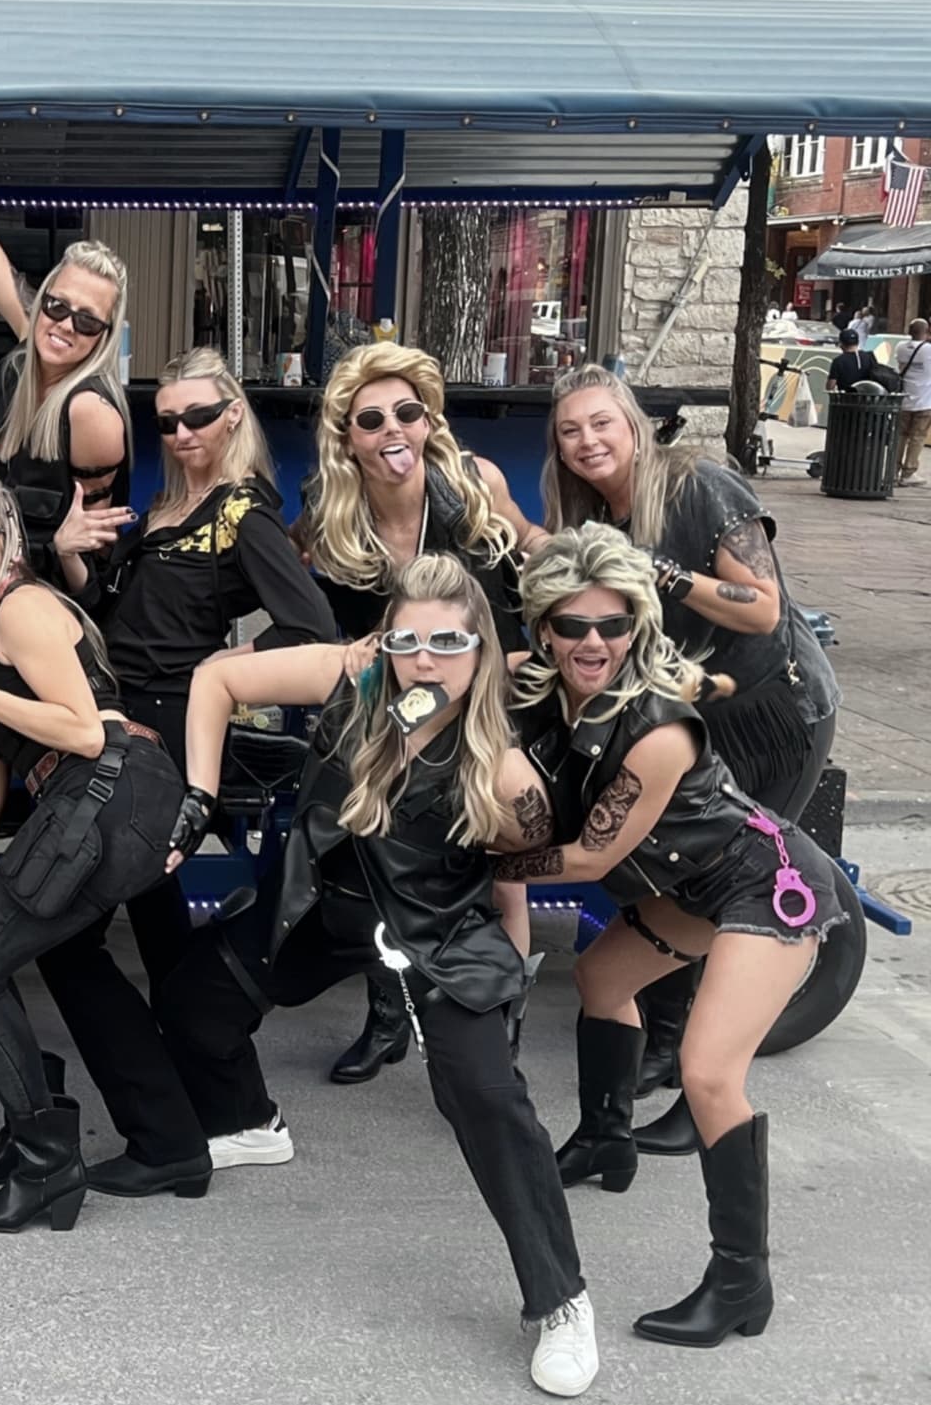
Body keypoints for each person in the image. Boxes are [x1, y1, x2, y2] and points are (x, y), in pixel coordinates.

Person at [155, 554, 598, 1397]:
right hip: (328, 907)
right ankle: (251, 1122)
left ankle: (562, 1297)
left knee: (485, 1100)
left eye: (448, 640)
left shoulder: (502, 768)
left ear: (479, 648)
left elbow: (518, 871)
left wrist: (507, 982)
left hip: (437, 932)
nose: (426, 658)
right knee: (193, 996)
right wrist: (199, 798)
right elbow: (215, 681)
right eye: (409, 638)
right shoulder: (354, 678)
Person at [499, 523, 848, 1349]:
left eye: (613, 624)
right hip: (693, 883)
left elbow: (590, 855)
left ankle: (740, 1283)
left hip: (768, 884)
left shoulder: (658, 728)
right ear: (545, 625)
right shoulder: (539, 681)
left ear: (637, 626)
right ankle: (606, 1141)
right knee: (600, 980)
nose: (594, 641)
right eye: (573, 623)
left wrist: (483, 864)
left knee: (707, 1072)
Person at [0, 347, 328, 1182]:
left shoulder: (241, 515)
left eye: (198, 416)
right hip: (119, 730)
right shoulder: (167, 510)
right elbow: (108, 615)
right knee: (162, 934)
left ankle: (189, 1126)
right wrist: (71, 555)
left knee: (81, 928)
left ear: (234, 417)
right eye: (167, 419)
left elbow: (311, 629)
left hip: (167, 743)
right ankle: (236, 1110)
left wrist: (224, 685)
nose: (180, 432)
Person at [545, 364, 839, 1154]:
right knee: (676, 877)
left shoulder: (697, 486)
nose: (588, 441)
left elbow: (766, 607)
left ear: (633, 423)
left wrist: (662, 572)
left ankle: (695, 1078)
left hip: (772, 712)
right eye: (571, 431)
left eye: (601, 422)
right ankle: (647, 1073)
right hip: (694, 713)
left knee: (728, 885)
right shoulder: (593, 511)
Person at [0, 466, 200, 1232]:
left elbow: (84, 729)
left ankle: (46, 1166)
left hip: (106, 794)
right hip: (85, 800)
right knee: (46, 959)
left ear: (8, 540)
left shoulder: (23, 608)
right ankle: (120, 1138)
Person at [290, 342, 547, 1085]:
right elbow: (281, 578)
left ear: (429, 419)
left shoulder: (473, 486)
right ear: (348, 435)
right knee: (374, 844)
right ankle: (388, 1011)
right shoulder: (330, 512)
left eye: (407, 411)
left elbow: (536, 555)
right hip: (393, 705)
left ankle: (503, 1017)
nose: (391, 430)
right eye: (370, 419)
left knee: (502, 864)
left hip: (489, 691)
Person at [0, 86, 138, 589]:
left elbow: (94, 565)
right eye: (57, 306)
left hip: (51, 594)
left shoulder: (90, 412)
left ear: (103, 336)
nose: (64, 324)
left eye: (86, 320)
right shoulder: (32, 340)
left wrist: (42, 557)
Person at [896, 318, 931, 485]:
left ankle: (892, 471)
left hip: (904, 399)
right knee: (917, 437)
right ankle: (908, 473)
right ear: (926, 332)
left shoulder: (901, 347)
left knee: (900, 436)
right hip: (924, 400)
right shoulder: (928, 350)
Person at [826, 328, 875, 393]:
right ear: (858, 342)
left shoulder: (838, 361)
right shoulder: (869, 357)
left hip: (846, 399)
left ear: (841, 343)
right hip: (866, 398)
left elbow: (830, 386)